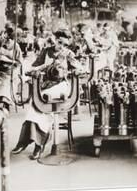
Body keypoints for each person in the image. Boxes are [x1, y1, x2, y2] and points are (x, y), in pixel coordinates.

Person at [12, 29, 85, 160]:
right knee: (35, 106)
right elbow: (32, 67)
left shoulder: (68, 54)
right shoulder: (46, 52)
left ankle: (37, 145)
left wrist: (76, 71)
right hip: (46, 85)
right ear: (55, 40)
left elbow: (80, 68)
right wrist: (41, 68)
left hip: (61, 86)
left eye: (65, 44)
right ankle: (28, 142)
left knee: (42, 103)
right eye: (59, 42)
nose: (61, 46)